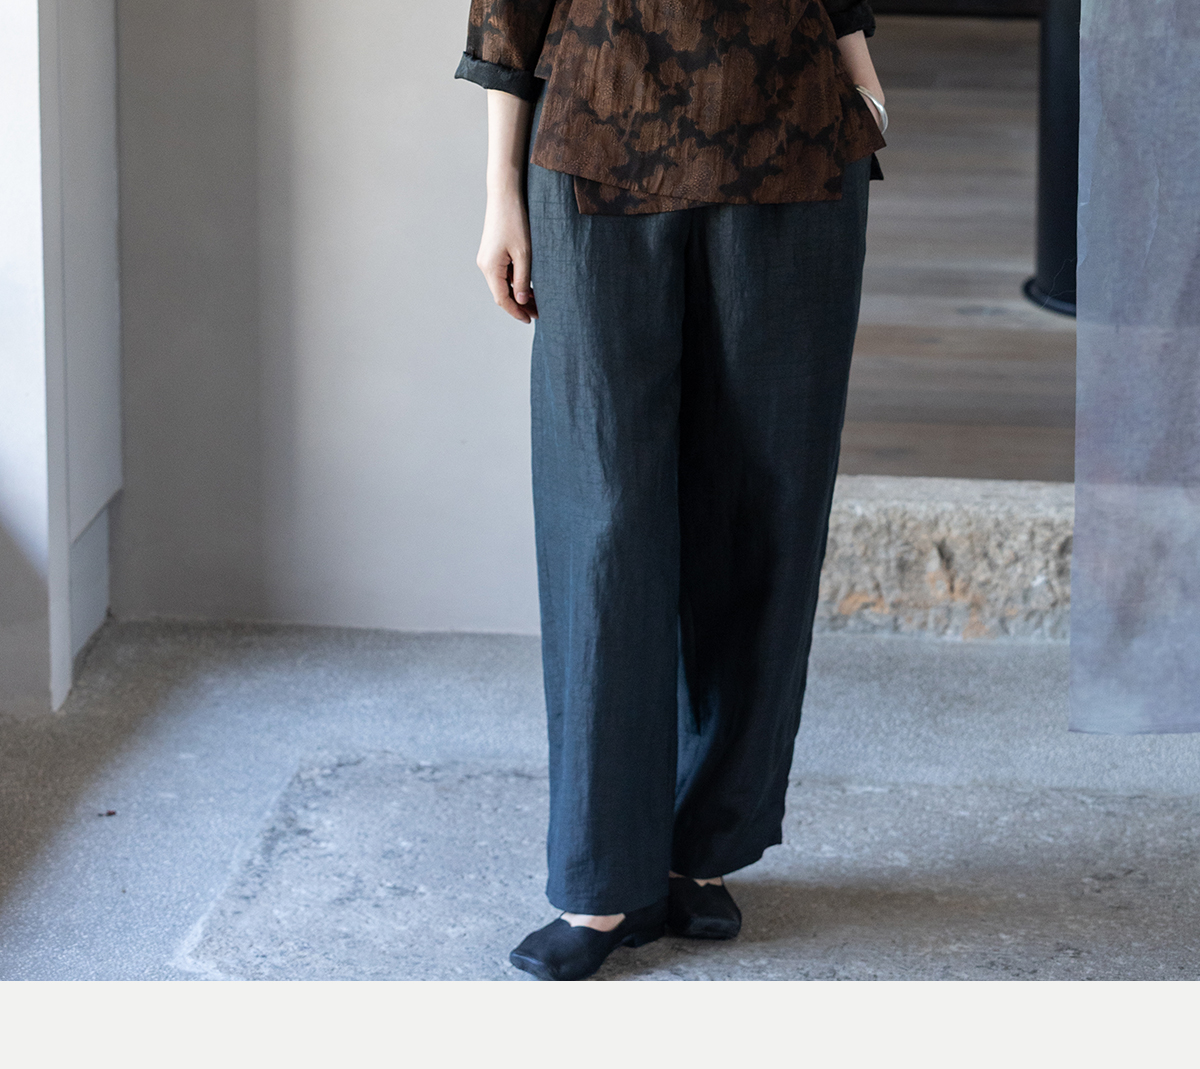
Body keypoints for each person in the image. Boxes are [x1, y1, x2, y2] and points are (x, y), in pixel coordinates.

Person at [455, 0, 887, 981]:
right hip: (597, 131)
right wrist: (498, 190)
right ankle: (602, 877)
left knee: (764, 505)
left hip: (796, 134)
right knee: (603, 514)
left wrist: (862, 78)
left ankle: (705, 842)